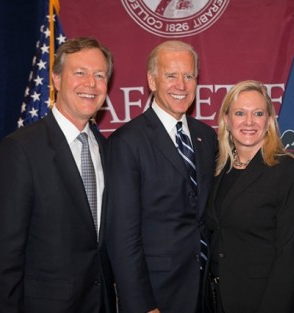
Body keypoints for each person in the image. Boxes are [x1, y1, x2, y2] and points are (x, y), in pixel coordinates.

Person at [0, 37, 116, 313]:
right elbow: (2, 259)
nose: (91, 84)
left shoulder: (105, 148)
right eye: (80, 73)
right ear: (56, 79)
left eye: (99, 75)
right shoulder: (21, 150)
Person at [105, 40, 217, 313]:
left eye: (188, 76)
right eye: (171, 75)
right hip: (157, 295)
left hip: (205, 292)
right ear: (151, 81)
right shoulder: (127, 142)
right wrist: (142, 304)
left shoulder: (207, 136)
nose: (181, 85)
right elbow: (122, 235)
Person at [204, 80, 294, 313]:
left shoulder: (287, 171)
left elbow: (289, 255)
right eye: (240, 113)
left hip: (264, 301)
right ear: (227, 120)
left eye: (258, 113)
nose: (249, 122)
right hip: (219, 299)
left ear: (269, 121)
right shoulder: (218, 169)